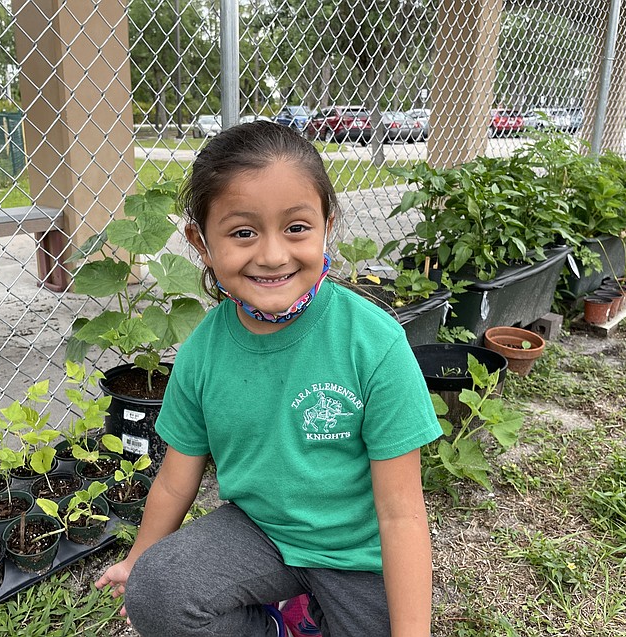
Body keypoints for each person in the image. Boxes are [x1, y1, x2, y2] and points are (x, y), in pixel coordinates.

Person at [95, 120, 442, 636]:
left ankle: (311, 610)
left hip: (356, 551)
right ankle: (275, 626)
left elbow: (401, 515)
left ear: (326, 222)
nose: (273, 255)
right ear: (201, 241)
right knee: (157, 590)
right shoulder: (201, 353)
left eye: (296, 227)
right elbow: (174, 478)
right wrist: (139, 559)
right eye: (242, 232)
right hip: (261, 533)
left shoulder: (374, 343)